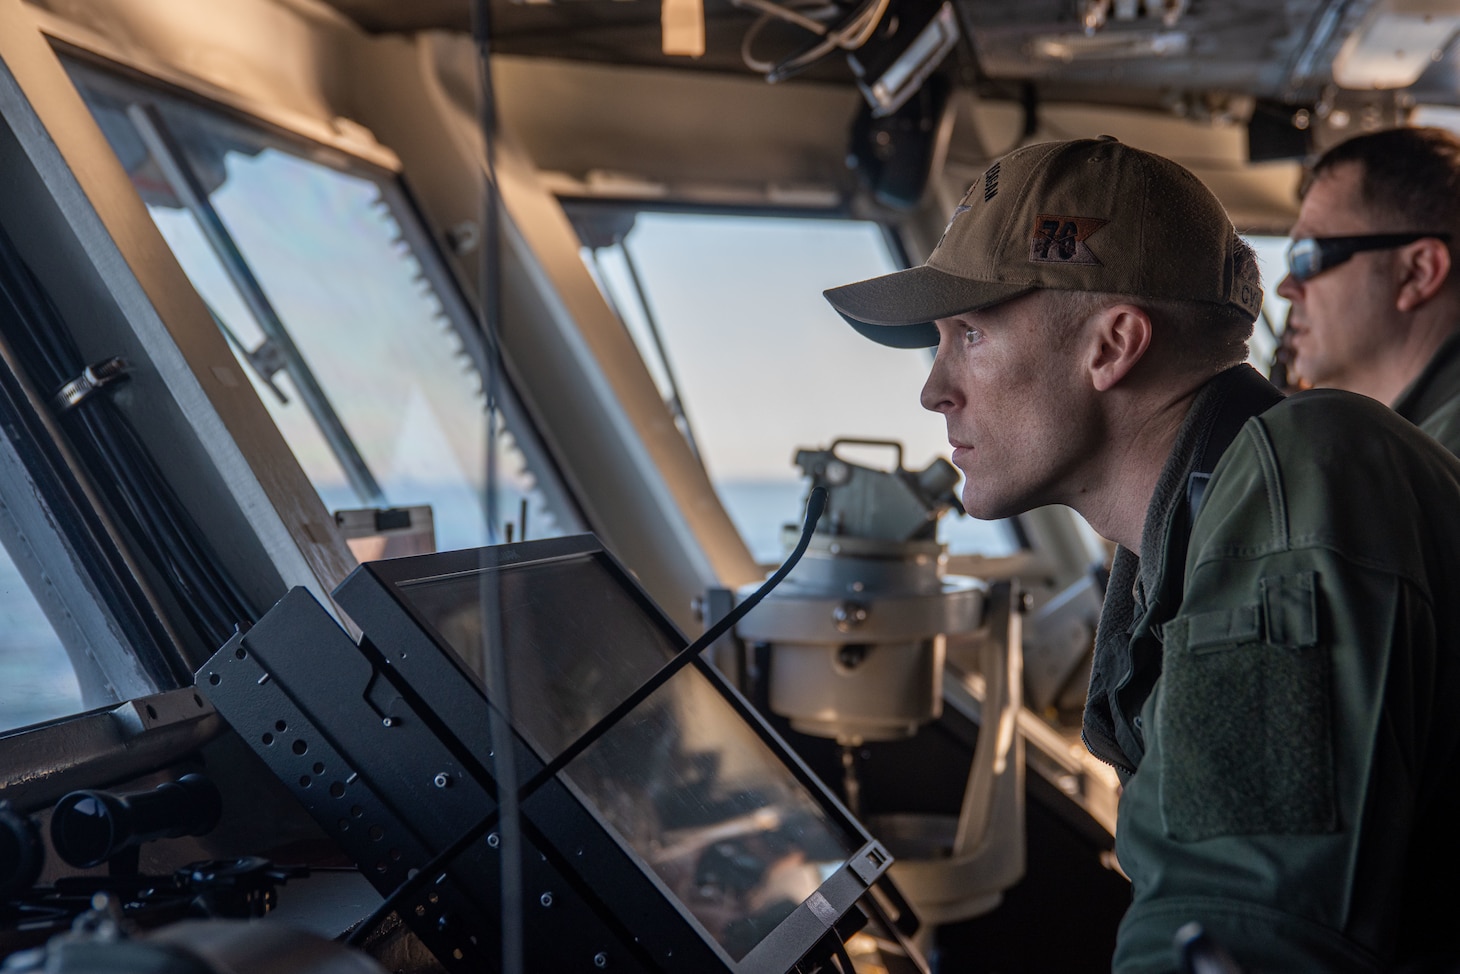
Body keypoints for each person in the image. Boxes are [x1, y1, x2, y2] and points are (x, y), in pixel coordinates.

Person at [824, 136, 1460, 972]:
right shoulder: (1198, 528)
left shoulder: (1298, 477)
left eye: (970, 335)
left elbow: (1240, 936)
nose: (933, 387)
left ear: (1113, 344)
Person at [1277, 126, 1460, 452]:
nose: (1286, 287)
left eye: (1309, 256)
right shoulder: (1405, 451)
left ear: (1417, 273)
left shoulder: (1433, 467)